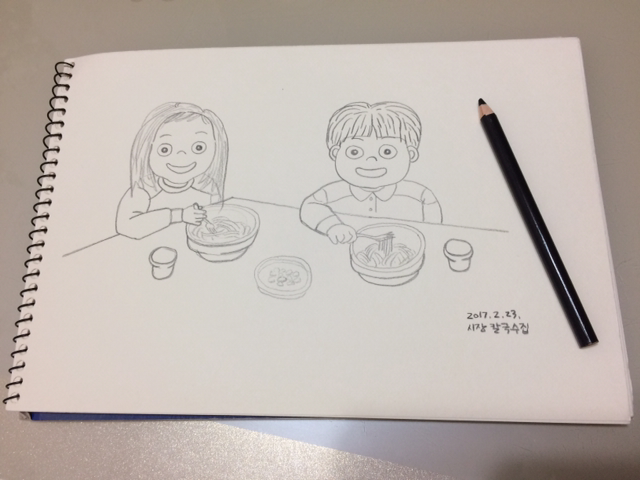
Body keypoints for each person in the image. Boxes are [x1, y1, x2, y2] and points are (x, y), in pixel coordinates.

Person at [299, 101, 442, 244]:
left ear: (411, 154)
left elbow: (434, 228)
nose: (371, 160)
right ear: (335, 153)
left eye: (387, 152)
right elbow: (309, 206)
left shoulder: (419, 195)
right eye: (354, 152)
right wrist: (332, 226)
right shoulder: (334, 192)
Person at [116, 102, 228, 239]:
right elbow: (125, 226)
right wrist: (179, 215)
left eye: (198, 147)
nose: (181, 157)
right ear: (147, 150)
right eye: (165, 149)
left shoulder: (206, 186)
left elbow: (213, 221)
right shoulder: (144, 188)